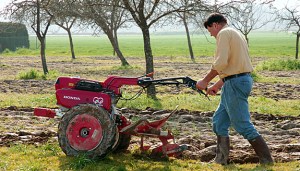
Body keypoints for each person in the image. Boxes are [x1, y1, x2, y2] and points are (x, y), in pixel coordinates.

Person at [196, 13, 273, 165]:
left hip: (235, 83)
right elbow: (234, 66)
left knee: (242, 124)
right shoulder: (235, 33)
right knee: (219, 121)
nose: (211, 34)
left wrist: (205, 81)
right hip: (234, 81)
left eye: (210, 30)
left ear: (216, 25)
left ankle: (266, 160)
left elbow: (221, 63)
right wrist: (217, 86)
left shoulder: (223, 34)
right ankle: (220, 160)